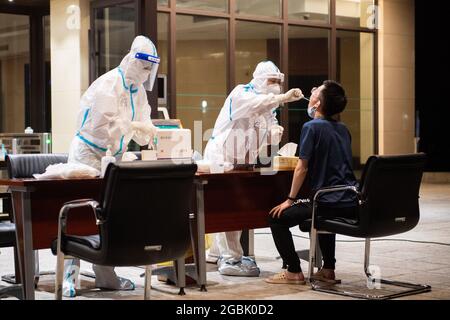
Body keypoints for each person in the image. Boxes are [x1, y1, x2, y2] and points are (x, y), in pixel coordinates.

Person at [64, 35, 160, 297]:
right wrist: (132, 127)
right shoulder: (109, 84)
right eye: (143, 65)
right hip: (88, 154)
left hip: (112, 159)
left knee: (107, 218)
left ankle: (106, 276)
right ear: (130, 59)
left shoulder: (137, 90)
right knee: (79, 216)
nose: (146, 71)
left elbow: (142, 127)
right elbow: (105, 128)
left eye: (150, 67)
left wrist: (148, 132)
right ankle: (69, 278)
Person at [204, 61, 303, 276]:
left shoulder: (267, 103)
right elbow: (257, 104)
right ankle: (230, 259)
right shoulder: (242, 93)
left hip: (241, 161)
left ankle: (214, 254)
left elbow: (267, 118)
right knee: (227, 208)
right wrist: (283, 97)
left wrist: (273, 130)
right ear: (259, 80)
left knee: (230, 208)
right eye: (272, 81)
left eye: (278, 82)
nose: (276, 86)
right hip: (222, 158)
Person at [266, 80, 358, 285]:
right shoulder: (343, 129)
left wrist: (290, 200)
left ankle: (293, 271)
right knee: (322, 210)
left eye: (316, 92)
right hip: (349, 201)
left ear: (317, 105)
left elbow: (302, 167)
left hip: (325, 202)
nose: (311, 92)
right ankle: (328, 269)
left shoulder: (311, 127)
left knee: (276, 218)